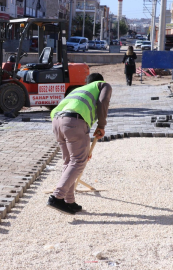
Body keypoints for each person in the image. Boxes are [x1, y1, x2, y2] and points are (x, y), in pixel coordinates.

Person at [47, 73, 112, 215]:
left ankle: (69, 201)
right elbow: (103, 102)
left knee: (69, 161)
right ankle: (57, 197)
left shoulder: (79, 90)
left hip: (56, 122)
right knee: (78, 161)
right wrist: (101, 125)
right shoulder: (102, 85)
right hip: (73, 121)